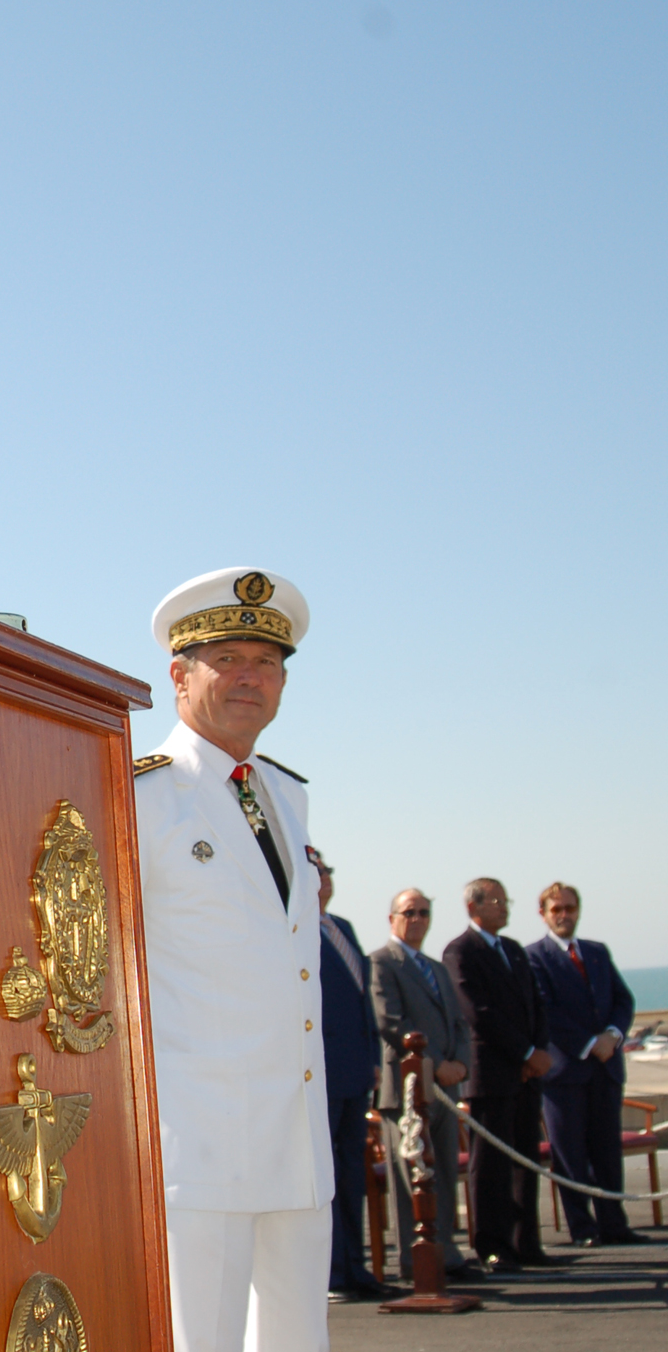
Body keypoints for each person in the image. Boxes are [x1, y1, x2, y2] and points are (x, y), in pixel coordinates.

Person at [134, 567, 333, 1352]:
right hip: (201, 1138)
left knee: (297, 1340)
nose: (252, 677)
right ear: (180, 675)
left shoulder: (287, 794)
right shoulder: (142, 796)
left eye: (268, 661)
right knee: (200, 1341)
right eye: (230, 660)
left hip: (296, 1136)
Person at [368, 888, 482, 1282]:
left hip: (444, 1091)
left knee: (445, 1174)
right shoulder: (381, 963)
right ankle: (415, 1262)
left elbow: (459, 1025)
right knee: (409, 1179)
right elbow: (390, 1023)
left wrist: (459, 1066)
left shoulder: (436, 968)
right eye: (409, 912)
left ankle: (447, 1254)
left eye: (424, 913)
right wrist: (433, 1066)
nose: (417, 919)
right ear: (392, 918)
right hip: (406, 1092)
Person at [525, 883, 647, 1246]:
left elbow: (623, 999)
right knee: (570, 1154)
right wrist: (589, 1043)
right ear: (543, 913)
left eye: (570, 908)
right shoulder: (536, 957)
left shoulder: (596, 952)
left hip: (606, 1069)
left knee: (607, 1151)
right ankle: (583, 1227)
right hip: (566, 1073)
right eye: (556, 909)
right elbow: (547, 1010)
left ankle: (614, 1224)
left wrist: (612, 1034)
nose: (564, 915)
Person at [442, 878, 552, 1273]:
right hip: (490, 1074)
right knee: (489, 1166)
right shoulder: (460, 951)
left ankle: (526, 1242)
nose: (504, 908)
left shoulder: (512, 950)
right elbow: (477, 1012)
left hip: (525, 1073)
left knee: (525, 1158)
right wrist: (523, 1052)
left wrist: (537, 1051)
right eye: (495, 901)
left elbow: (533, 1003)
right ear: (473, 907)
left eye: (506, 901)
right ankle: (492, 1244)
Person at [309, 847, 389, 1302]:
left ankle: (358, 1266)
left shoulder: (343, 929)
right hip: (323, 1074)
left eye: (327, 870)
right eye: (315, 871)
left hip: (357, 1072)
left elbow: (363, 1002)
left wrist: (372, 1058)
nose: (325, 878)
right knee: (331, 1177)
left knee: (353, 1175)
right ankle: (335, 1273)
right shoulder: (295, 930)